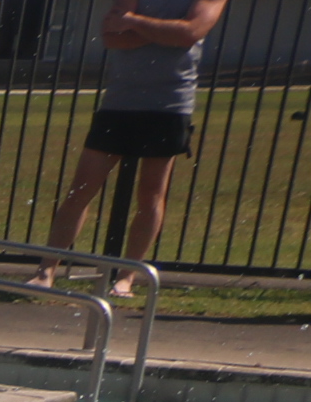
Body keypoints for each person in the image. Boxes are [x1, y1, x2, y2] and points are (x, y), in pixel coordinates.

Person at [39, 0, 228, 298]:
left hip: (169, 103)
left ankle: (126, 277)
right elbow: (112, 36)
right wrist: (163, 32)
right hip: (119, 101)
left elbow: (191, 32)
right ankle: (46, 271)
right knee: (81, 189)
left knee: (151, 194)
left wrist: (135, 23)